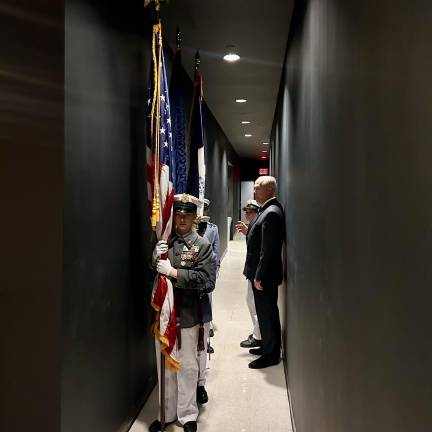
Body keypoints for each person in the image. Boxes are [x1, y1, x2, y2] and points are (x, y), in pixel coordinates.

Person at [150, 193, 213, 432]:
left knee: (186, 366)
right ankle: (165, 413)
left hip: (187, 315)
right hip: (165, 314)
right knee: (164, 365)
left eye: (186, 216)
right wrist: (155, 257)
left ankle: (187, 415)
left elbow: (206, 279)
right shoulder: (167, 241)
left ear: (194, 217)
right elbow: (154, 271)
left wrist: (174, 273)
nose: (182, 220)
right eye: (178, 215)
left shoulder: (202, 245)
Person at [243, 176, 285, 369]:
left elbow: (269, 249)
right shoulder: (266, 210)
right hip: (260, 275)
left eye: (258, 188)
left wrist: (259, 275)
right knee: (264, 312)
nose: (254, 191)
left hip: (265, 277)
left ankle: (271, 355)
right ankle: (267, 346)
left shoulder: (272, 212)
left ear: (269, 190)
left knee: (268, 314)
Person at [235, 199, 263, 349]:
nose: (247, 213)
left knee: (255, 304)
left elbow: (259, 251)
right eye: (246, 211)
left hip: (256, 273)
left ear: (256, 212)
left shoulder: (258, 224)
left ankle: (258, 336)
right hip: (253, 272)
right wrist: (248, 232)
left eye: (250, 211)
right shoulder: (254, 225)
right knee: (251, 302)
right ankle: (257, 332)